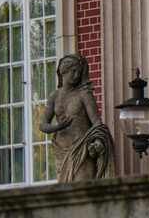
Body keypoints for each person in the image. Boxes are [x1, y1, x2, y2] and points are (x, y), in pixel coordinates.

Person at [39, 53, 116, 182]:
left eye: (79, 73)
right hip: (61, 151)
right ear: (64, 71)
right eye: (73, 71)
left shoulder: (84, 93)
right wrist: (57, 127)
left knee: (83, 190)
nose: (76, 76)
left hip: (82, 149)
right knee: (66, 194)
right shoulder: (55, 96)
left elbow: (96, 122)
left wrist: (98, 141)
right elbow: (42, 125)